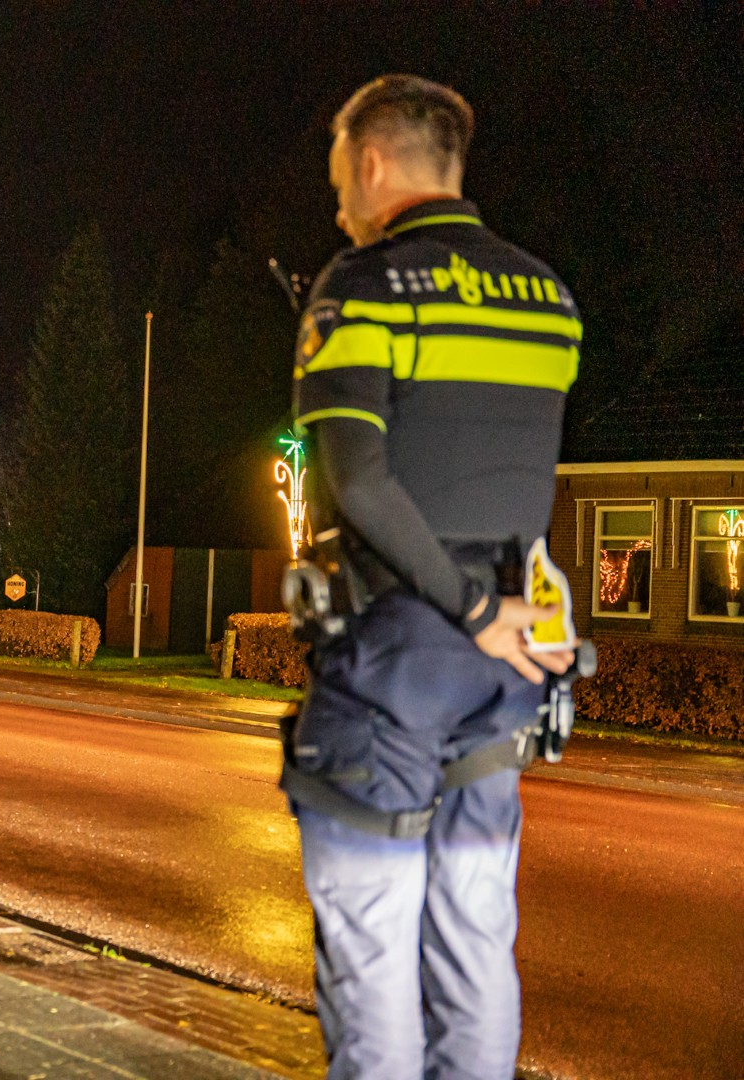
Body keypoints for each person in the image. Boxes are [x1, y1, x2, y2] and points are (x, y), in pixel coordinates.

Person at [282, 74, 581, 1079]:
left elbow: (358, 480)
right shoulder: (550, 300)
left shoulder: (359, 287)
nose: (337, 209)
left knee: (370, 956)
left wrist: (467, 607)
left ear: (372, 164)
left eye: (339, 183)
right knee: (475, 936)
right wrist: (502, 609)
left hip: (398, 653)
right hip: (508, 670)